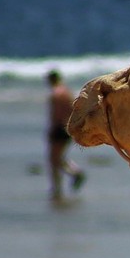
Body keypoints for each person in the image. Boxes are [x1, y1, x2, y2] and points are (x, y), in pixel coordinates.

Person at [46, 70, 85, 200]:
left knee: (53, 159)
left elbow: (55, 114)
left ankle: (57, 188)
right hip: (68, 127)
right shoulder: (68, 92)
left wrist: (51, 129)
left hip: (58, 127)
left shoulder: (55, 94)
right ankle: (74, 173)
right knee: (59, 157)